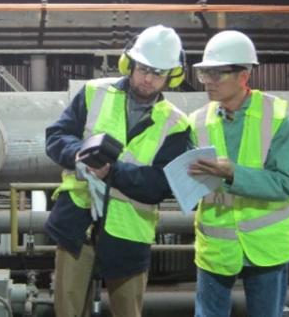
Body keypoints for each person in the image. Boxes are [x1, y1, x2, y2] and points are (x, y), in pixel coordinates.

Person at [44, 24, 193, 317]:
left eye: (158, 73)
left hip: (128, 233)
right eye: (143, 69)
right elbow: (56, 136)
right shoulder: (93, 93)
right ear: (130, 64)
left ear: (171, 76)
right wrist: (80, 153)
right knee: (68, 310)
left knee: (127, 312)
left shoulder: (176, 124)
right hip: (77, 222)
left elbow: (160, 185)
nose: (148, 79)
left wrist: (112, 172)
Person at [187, 30, 289, 317]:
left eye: (217, 74)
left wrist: (233, 174)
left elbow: (285, 184)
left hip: (266, 247)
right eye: (204, 74)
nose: (208, 82)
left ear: (243, 75)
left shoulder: (277, 118)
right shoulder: (197, 122)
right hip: (217, 245)